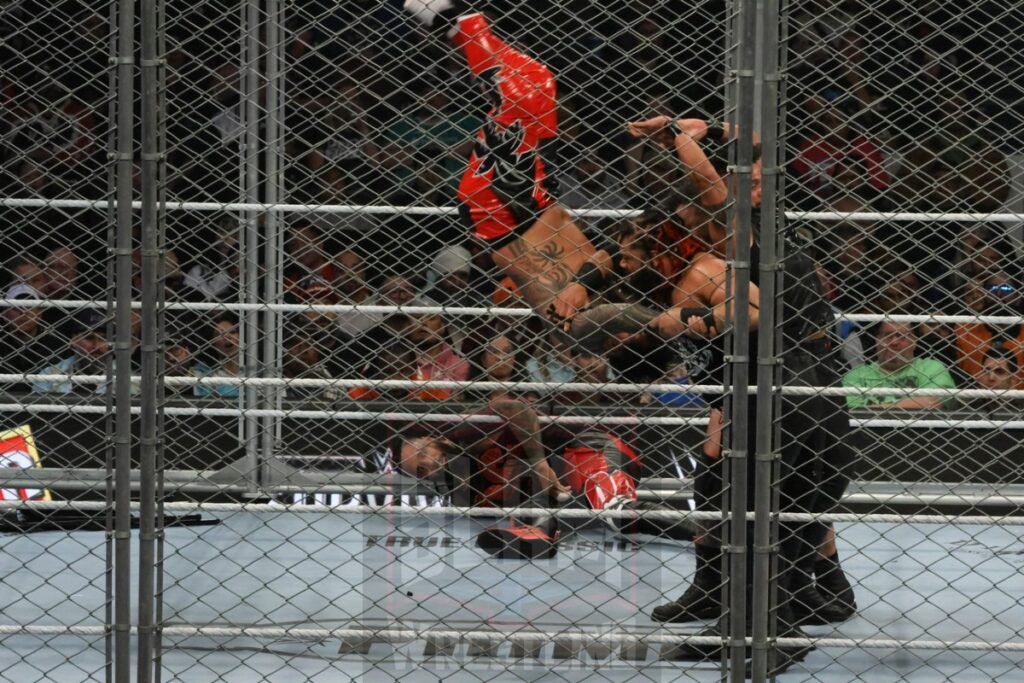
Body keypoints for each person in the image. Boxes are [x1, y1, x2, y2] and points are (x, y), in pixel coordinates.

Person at [402, 2, 613, 322]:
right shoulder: (627, 296)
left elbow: (586, 329)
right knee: (539, 79)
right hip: (534, 195)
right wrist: (585, 282)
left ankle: (461, 24)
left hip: (502, 203)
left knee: (520, 97)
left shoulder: (586, 329)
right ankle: (450, 23)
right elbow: (610, 254)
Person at [843, 320, 956, 409]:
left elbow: (934, 401)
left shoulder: (931, 367)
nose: (894, 342)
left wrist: (881, 409)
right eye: (888, 336)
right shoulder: (856, 375)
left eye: (902, 336)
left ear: (914, 342)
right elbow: (852, 411)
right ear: (877, 341)